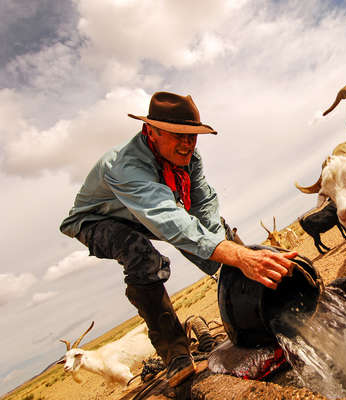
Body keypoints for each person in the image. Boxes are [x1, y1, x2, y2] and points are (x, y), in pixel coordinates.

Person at [59, 91, 297, 392]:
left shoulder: (189, 158)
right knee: (141, 255)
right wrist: (239, 258)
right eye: (178, 135)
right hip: (97, 219)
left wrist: (239, 257)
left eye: (192, 136)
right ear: (152, 132)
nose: (187, 143)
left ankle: (265, 303)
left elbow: (204, 209)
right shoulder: (124, 167)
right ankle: (175, 353)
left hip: (147, 211)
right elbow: (170, 220)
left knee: (219, 238)